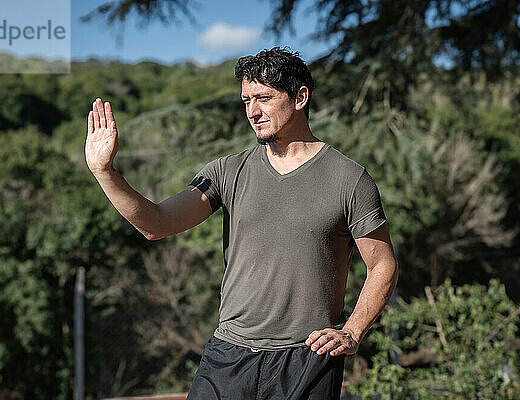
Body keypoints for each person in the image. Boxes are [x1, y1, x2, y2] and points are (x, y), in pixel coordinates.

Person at [85, 47, 398, 400]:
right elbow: (156, 224)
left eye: (263, 98)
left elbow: (383, 264)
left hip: (307, 359)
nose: (252, 111)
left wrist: (353, 332)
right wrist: (105, 172)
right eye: (246, 100)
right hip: (229, 355)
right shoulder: (227, 172)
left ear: (300, 97)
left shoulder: (348, 179)